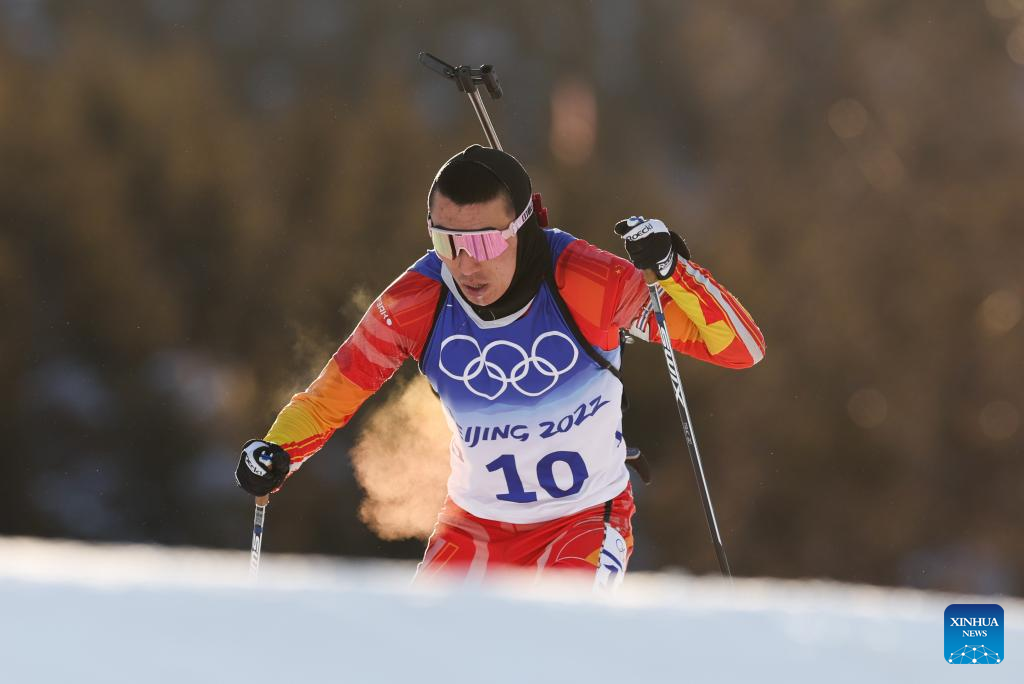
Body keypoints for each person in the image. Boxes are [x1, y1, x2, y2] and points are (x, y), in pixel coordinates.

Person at [235, 145, 765, 588]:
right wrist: (277, 451)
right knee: (414, 656)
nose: (466, 264)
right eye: (446, 242)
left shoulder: (585, 280)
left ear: (522, 227)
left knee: (557, 646)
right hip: (474, 526)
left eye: (484, 241)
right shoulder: (417, 301)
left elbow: (740, 348)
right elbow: (328, 399)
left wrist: (673, 270)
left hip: (583, 521)